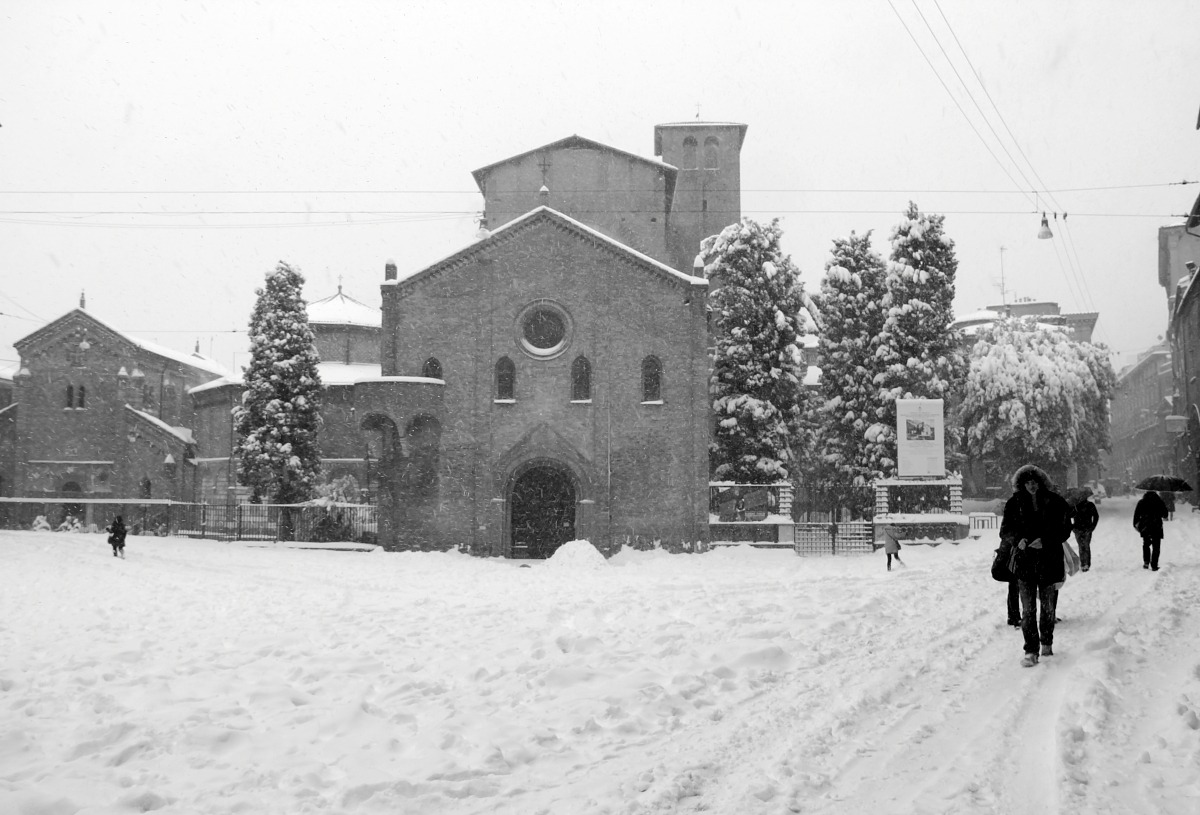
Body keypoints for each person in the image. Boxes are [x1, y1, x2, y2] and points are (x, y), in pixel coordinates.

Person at [999, 464, 1072, 667]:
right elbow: (1005, 530)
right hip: (1025, 563)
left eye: (1034, 482)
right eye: (1028, 483)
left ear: (1041, 483)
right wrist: (1018, 540)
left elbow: (1065, 528)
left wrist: (1046, 541)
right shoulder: (1014, 503)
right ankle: (1031, 649)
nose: (1032, 486)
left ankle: (1046, 640)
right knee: (1028, 609)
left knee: (1048, 607)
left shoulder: (1055, 502)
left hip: (1048, 560)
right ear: (1022, 484)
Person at [1133, 490, 1168, 571]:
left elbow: (1136, 514)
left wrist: (1136, 525)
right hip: (1156, 526)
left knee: (1146, 544)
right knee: (1156, 546)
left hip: (1145, 526)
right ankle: (1154, 564)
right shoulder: (1159, 502)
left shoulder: (1142, 502)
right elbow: (1165, 514)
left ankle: (1146, 561)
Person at [1071, 490, 1100, 572]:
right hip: (1080, 529)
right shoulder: (1075, 506)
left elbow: (1096, 516)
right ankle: (1083, 563)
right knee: (1082, 546)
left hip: (1086, 529)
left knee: (1085, 546)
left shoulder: (1090, 505)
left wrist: (1092, 527)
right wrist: (1072, 527)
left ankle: (1086, 563)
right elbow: (1069, 515)